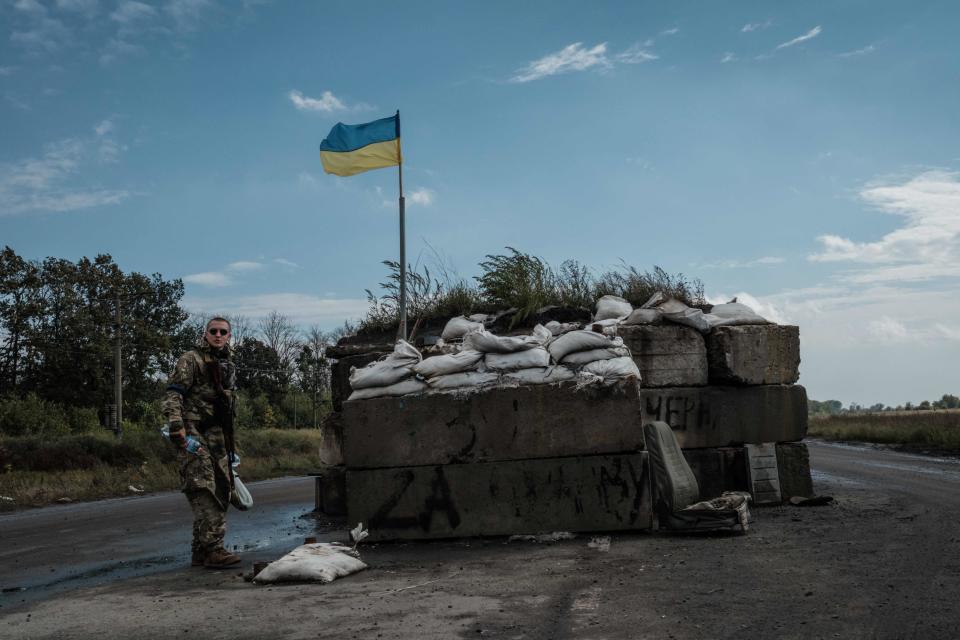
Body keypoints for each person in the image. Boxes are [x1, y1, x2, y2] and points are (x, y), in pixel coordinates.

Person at [162, 316, 241, 569]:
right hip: (193, 430)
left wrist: (230, 445)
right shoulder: (191, 359)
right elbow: (174, 393)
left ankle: (201, 551)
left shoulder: (227, 364)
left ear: (229, 336)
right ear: (205, 334)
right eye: (213, 331)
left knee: (222, 487)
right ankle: (214, 549)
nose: (218, 335)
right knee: (203, 487)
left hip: (216, 434)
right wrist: (178, 428)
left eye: (223, 332)